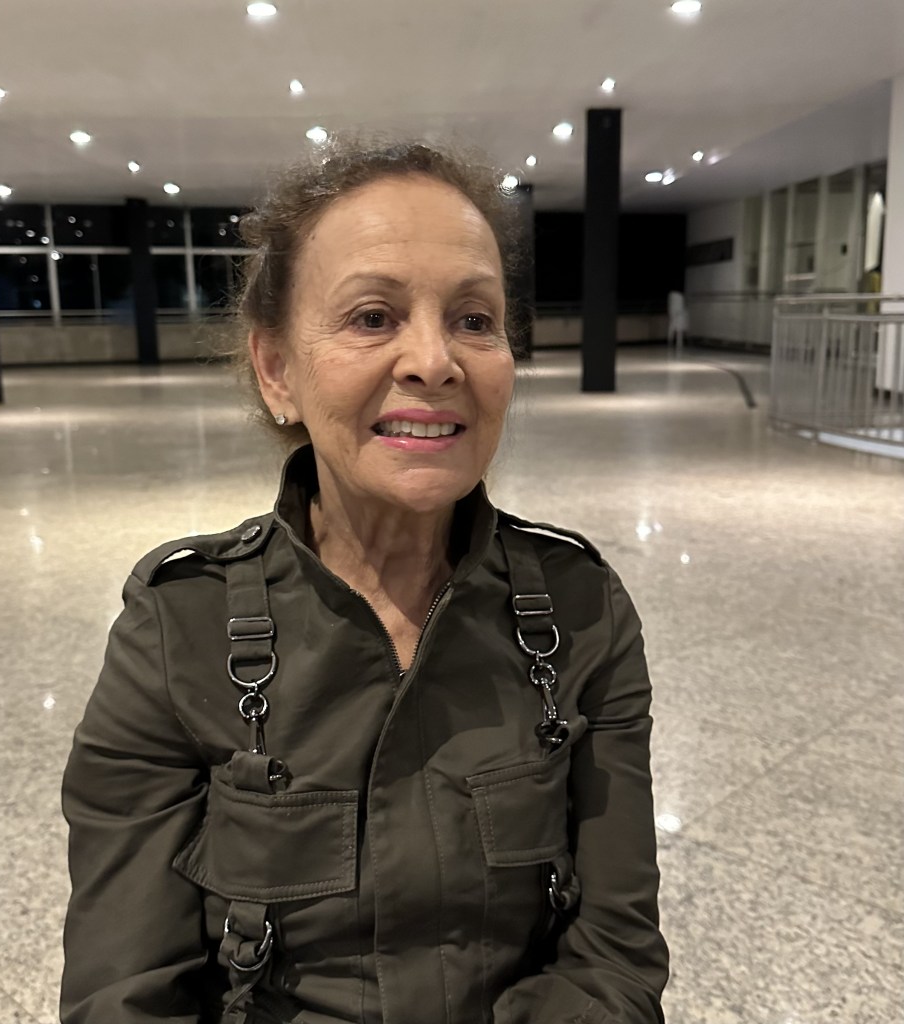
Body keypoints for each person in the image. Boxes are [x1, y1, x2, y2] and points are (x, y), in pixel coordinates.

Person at [60, 139, 669, 1024]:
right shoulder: (179, 627)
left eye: (474, 319)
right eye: (373, 316)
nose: (434, 360)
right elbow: (125, 994)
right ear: (277, 370)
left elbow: (613, 960)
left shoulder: (580, 610)